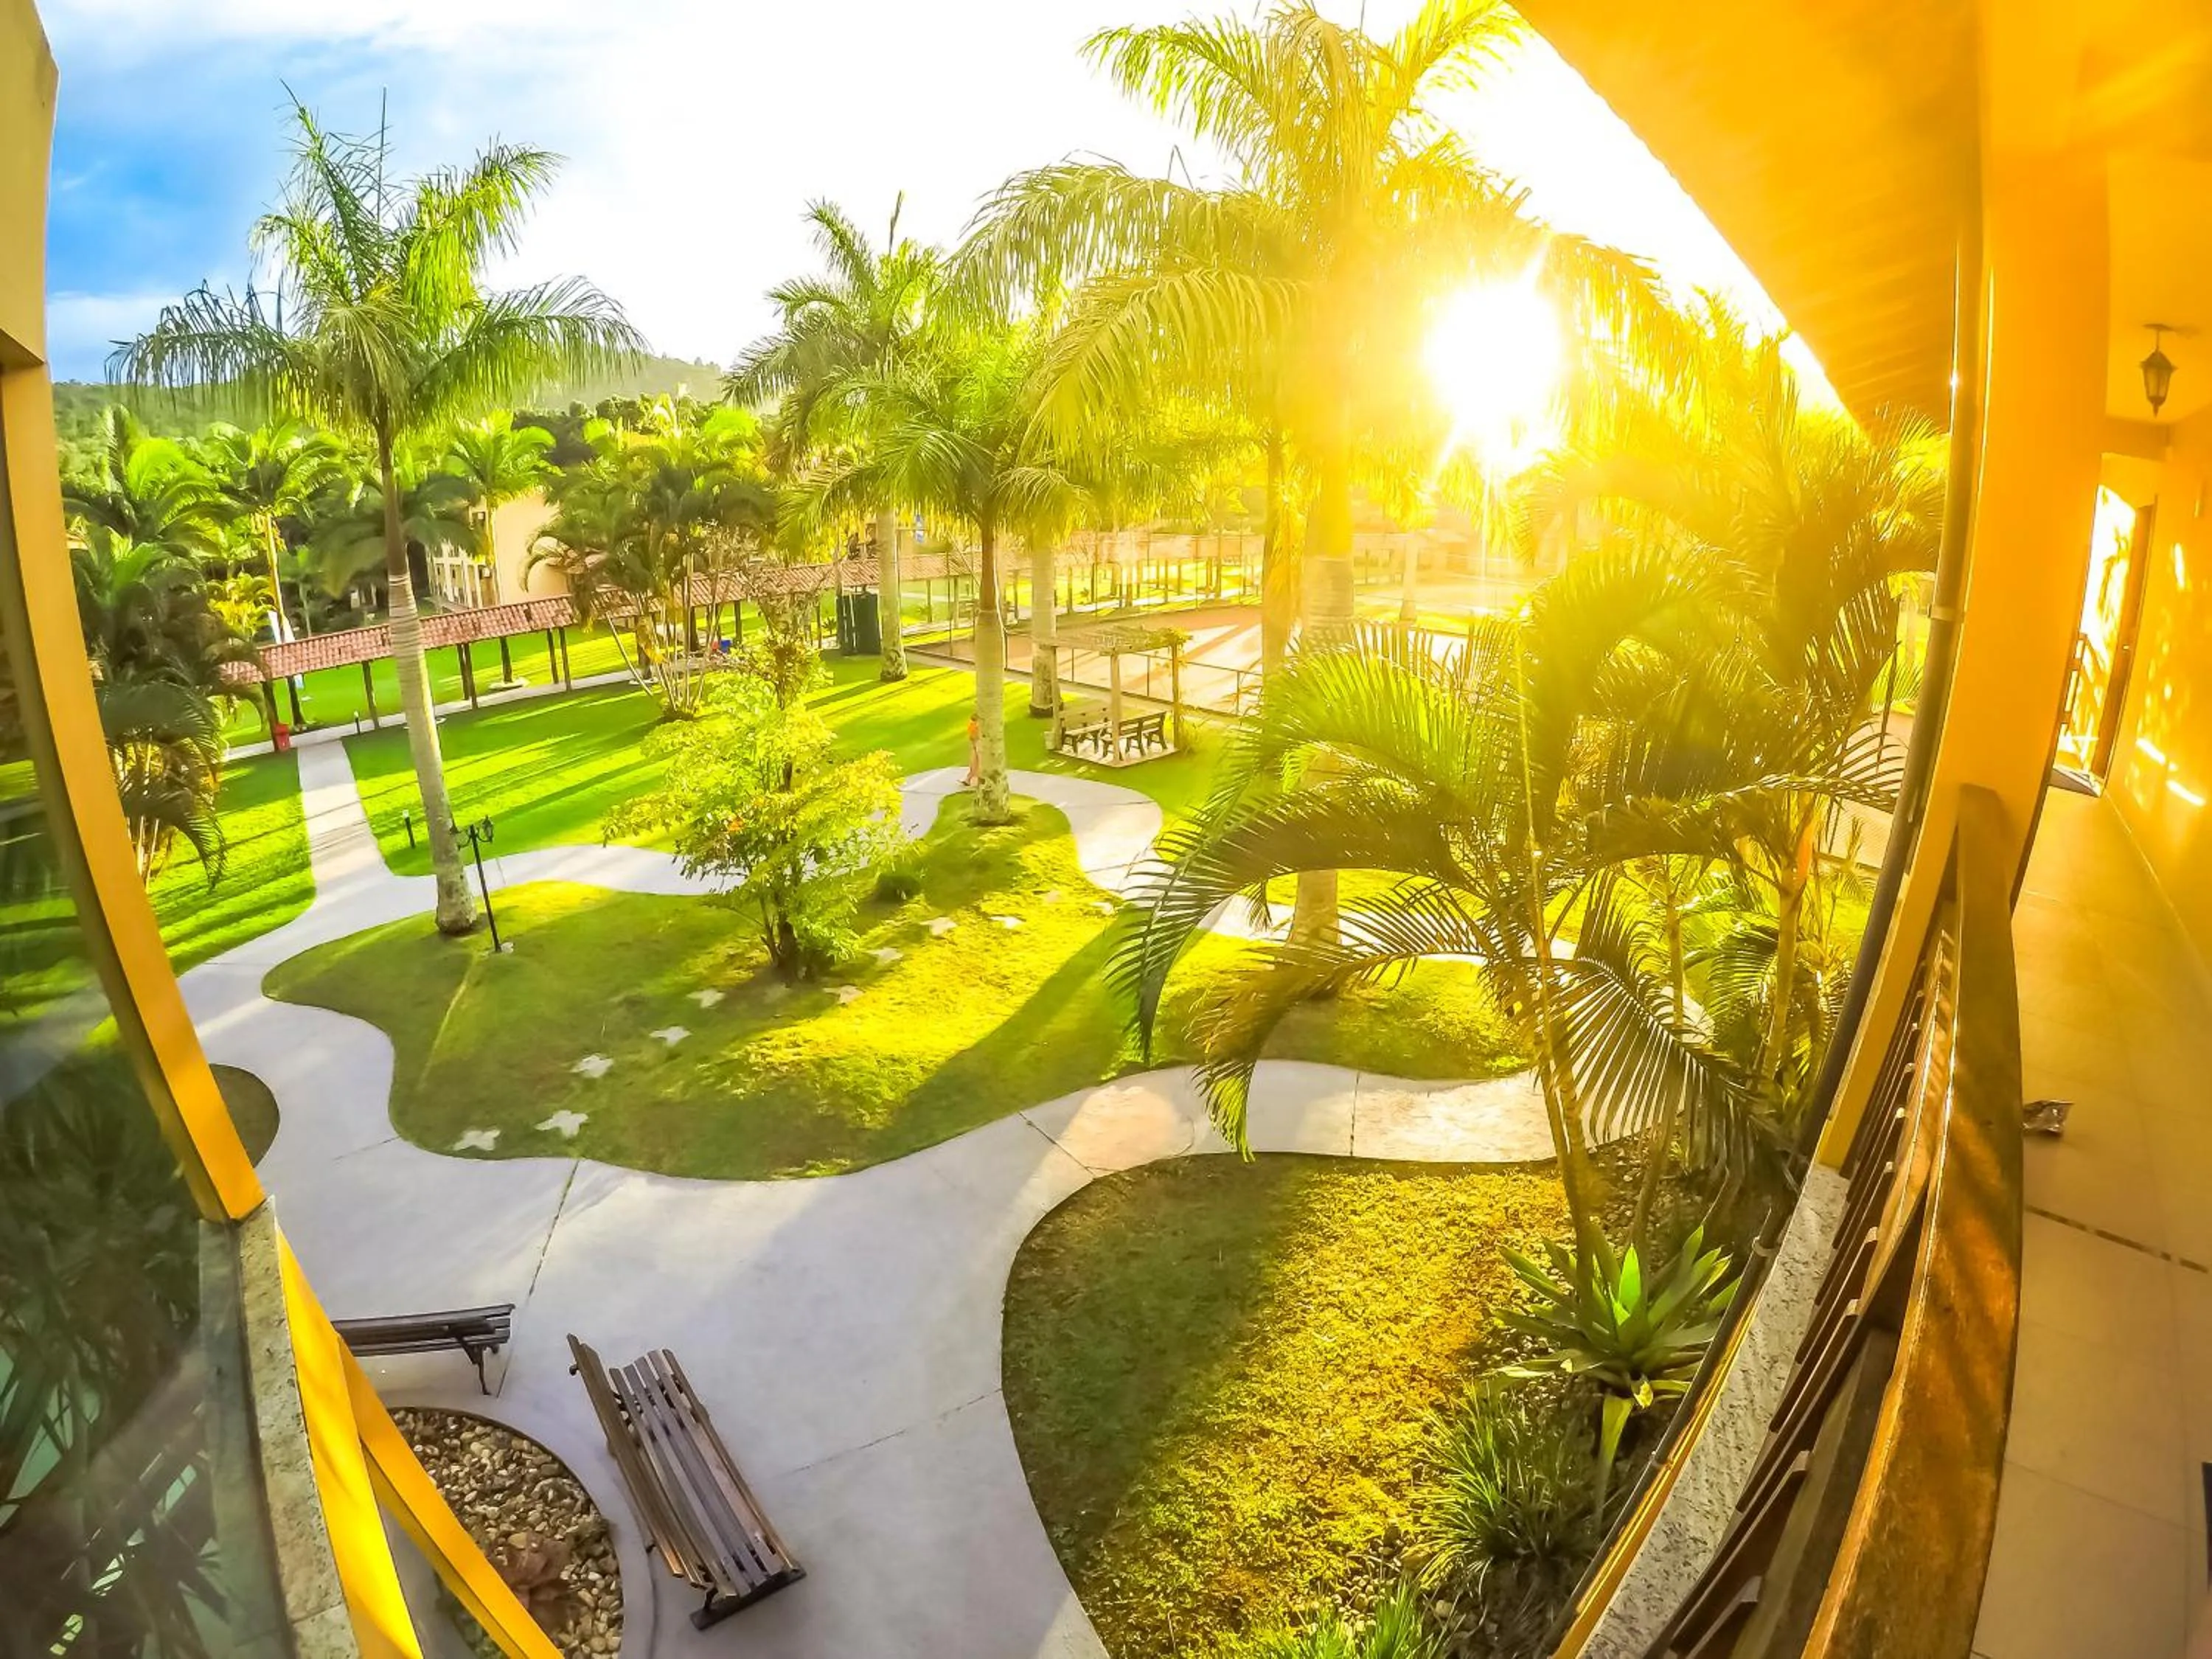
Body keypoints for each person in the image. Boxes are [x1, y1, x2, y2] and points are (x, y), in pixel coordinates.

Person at [965, 712, 981, 788]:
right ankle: (969, 779)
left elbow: (972, 737)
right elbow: (972, 737)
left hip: (978, 745)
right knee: (975, 763)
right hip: (977, 745)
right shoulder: (974, 726)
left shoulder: (974, 726)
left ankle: (970, 779)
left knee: (977, 763)